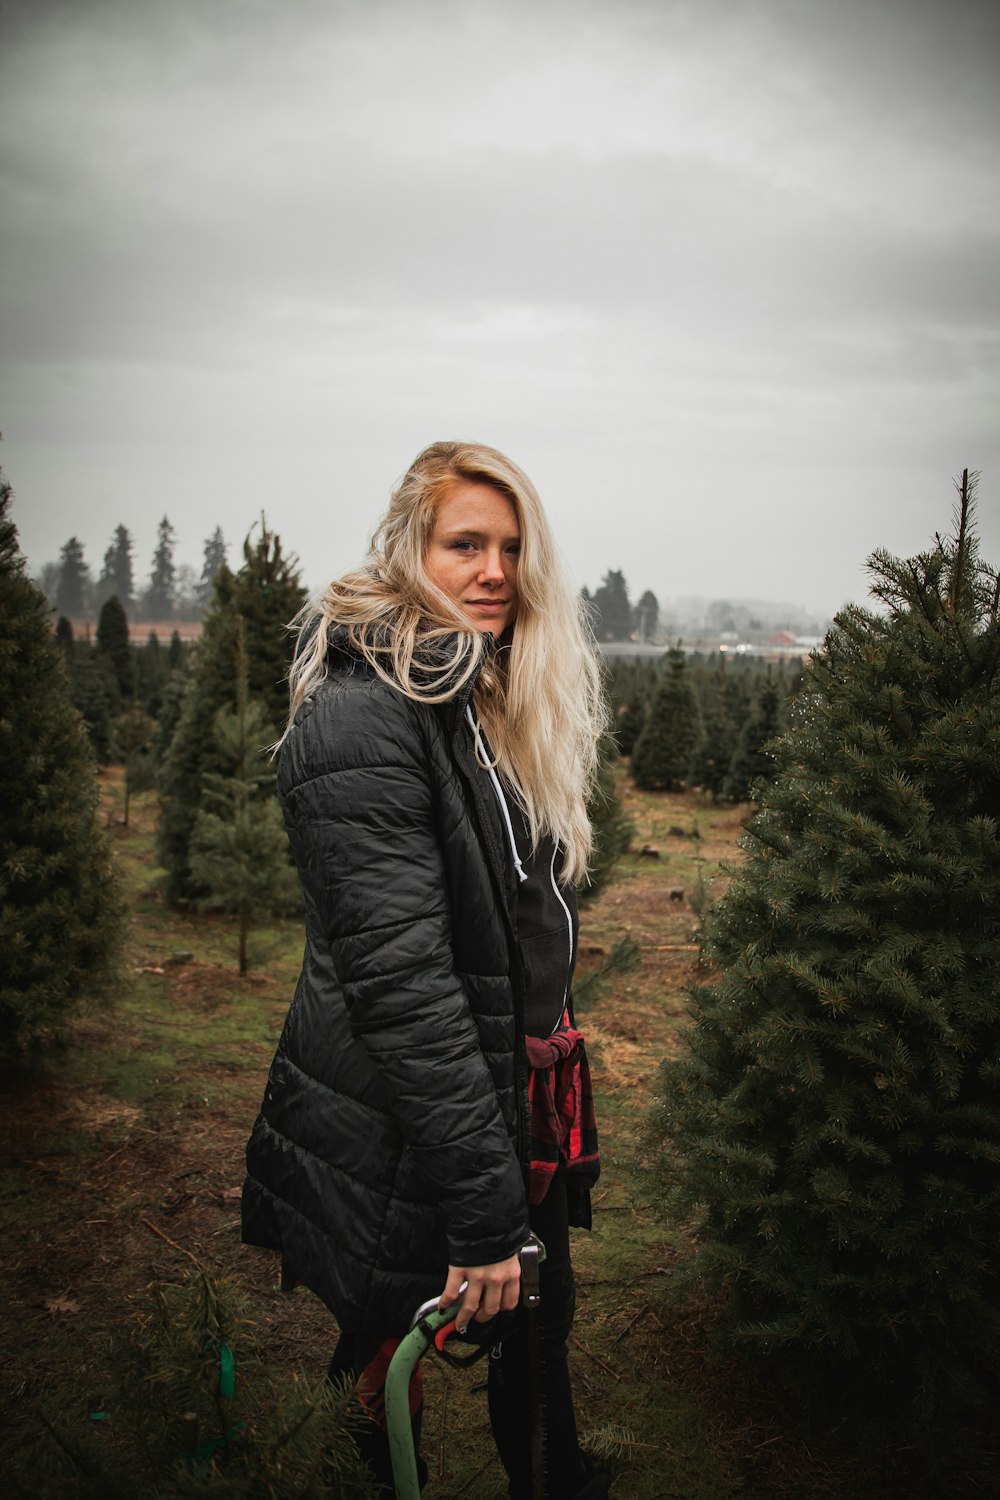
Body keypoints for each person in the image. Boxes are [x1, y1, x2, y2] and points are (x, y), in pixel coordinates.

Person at [242, 441, 612, 1499]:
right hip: (409, 1115)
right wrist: (484, 1215)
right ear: (410, 552)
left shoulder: (486, 700)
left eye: (509, 546)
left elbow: (514, 921)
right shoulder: (364, 715)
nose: (494, 569)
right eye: (465, 544)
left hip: (514, 1089)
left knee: (540, 1336)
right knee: (381, 1342)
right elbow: (403, 988)